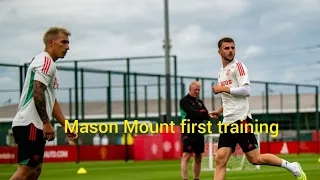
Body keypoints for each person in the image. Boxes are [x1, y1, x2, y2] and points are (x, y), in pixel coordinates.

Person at [210, 37, 307, 180]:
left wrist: (223, 88)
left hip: (241, 120)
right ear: (219, 52)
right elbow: (231, 99)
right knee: (220, 159)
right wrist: (220, 110)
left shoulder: (239, 67)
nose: (231, 51)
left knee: (255, 159)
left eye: (232, 48)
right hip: (227, 121)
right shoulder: (221, 73)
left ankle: (291, 166)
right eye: (227, 48)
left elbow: (246, 90)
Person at [10, 27, 78, 180]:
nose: (68, 47)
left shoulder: (50, 65)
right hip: (30, 123)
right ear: (51, 43)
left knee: (35, 171)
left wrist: (66, 126)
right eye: (64, 42)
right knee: (26, 170)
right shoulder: (45, 61)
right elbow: (38, 92)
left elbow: (51, 101)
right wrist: (46, 123)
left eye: (68, 43)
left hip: (34, 124)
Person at [180, 81, 211, 180]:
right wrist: (200, 112)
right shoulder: (184, 101)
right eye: (195, 90)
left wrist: (200, 112)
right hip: (188, 130)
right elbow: (192, 112)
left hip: (199, 130)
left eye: (198, 90)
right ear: (190, 89)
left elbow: (206, 115)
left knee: (198, 156)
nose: (197, 91)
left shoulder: (200, 102)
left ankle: (196, 178)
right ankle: (185, 179)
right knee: (186, 156)